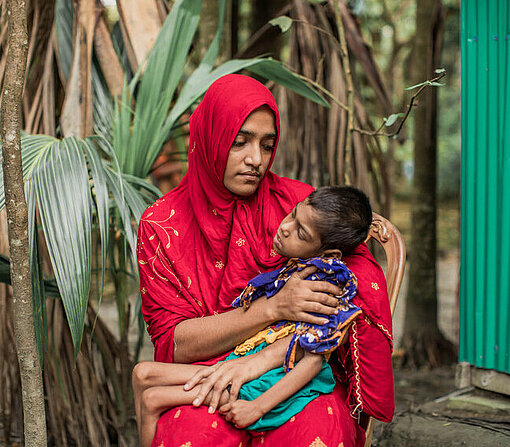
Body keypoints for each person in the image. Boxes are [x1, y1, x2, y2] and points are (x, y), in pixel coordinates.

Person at [136, 74, 394, 447]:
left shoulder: (297, 203)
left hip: (290, 367)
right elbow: (173, 344)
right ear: (210, 138)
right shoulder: (160, 225)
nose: (256, 160)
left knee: (317, 433)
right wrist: (273, 307)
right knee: (191, 436)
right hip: (201, 374)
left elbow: (359, 276)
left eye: (267, 145)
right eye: (239, 142)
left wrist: (258, 361)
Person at [134, 186, 371, 446]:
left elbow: (313, 362)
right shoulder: (298, 268)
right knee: (142, 374)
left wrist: (256, 408)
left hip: (270, 382)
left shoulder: (324, 293)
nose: (285, 227)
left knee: (152, 398)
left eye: (300, 233)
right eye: (292, 214)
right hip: (246, 359)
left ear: (328, 256)